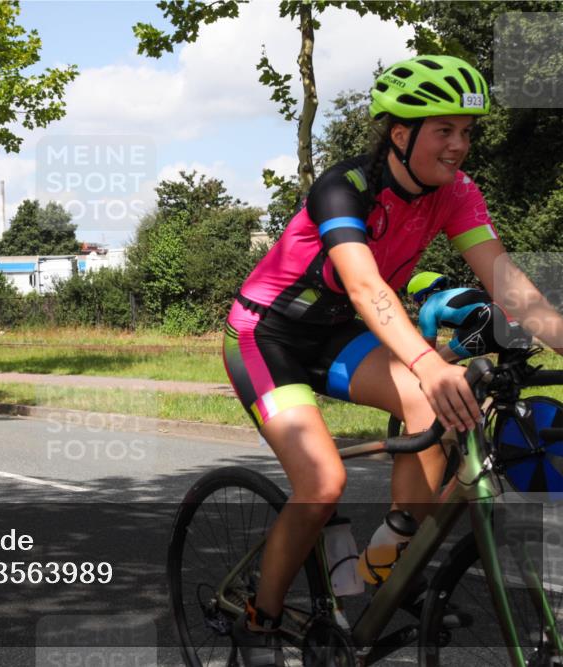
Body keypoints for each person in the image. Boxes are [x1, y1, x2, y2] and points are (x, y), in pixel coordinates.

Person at [221, 55, 563, 665]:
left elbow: (513, 289)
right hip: (265, 335)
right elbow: (365, 286)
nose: (460, 146)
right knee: (322, 483)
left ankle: (386, 561)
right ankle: (258, 620)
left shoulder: (456, 194)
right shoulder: (342, 188)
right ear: (400, 133)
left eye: (467, 132)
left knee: (438, 410)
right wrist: (428, 363)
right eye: (444, 131)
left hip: (332, 335)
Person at [407, 271, 532, 361]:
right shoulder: (460, 296)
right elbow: (456, 342)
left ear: (419, 295)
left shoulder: (429, 306)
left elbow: (428, 352)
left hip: (491, 318)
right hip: (519, 321)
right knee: (510, 379)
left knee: (436, 364)